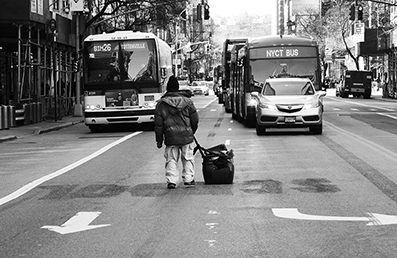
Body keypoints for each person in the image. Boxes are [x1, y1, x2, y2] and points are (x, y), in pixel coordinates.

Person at [154, 75, 199, 189]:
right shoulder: (188, 102)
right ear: (178, 88)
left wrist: (159, 140)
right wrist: (191, 131)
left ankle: (172, 181)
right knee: (188, 157)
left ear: (167, 89)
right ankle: (188, 179)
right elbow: (195, 120)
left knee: (171, 159)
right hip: (186, 135)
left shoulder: (161, 104)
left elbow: (158, 125)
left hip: (170, 136)